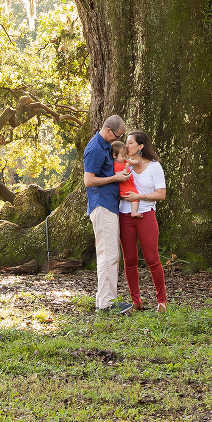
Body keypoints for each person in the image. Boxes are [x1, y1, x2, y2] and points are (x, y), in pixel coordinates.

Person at [82, 114, 133, 315]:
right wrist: (115, 178)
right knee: (108, 254)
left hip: (110, 206)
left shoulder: (105, 146)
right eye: (117, 135)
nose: (117, 139)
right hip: (101, 206)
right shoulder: (95, 148)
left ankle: (106, 300)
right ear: (109, 130)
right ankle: (105, 304)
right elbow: (89, 181)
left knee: (111, 254)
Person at [118, 131, 167, 312]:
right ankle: (136, 301)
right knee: (129, 259)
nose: (126, 145)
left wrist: (139, 196)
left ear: (141, 146)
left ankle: (161, 301)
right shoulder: (124, 165)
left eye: (130, 142)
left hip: (146, 214)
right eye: (126, 142)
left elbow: (161, 194)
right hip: (125, 214)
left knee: (152, 259)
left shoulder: (154, 166)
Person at [112, 140, 141, 216]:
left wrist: (134, 162)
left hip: (129, 184)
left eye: (125, 156)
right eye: (122, 156)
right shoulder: (116, 165)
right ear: (114, 156)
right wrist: (125, 169)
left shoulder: (123, 161)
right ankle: (134, 212)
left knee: (135, 195)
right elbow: (118, 175)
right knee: (135, 196)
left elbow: (129, 162)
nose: (124, 158)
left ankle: (134, 211)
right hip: (125, 186)